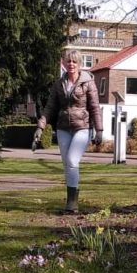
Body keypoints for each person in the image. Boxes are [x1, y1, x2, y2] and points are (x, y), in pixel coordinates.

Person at [34, 50, 102, 213]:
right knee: (67, 164)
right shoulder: (59, 84)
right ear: (64, 64)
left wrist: (99, 129)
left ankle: (72, 204)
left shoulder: (88, 82)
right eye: (68, 62)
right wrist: (40, 127)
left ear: (79, 64)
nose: (71, 64)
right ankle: (71, 198)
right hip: (63, 128)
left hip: (82, 127)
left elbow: (94, 107)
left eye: (74, 62)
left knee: (72, 160)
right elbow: (50, 107)